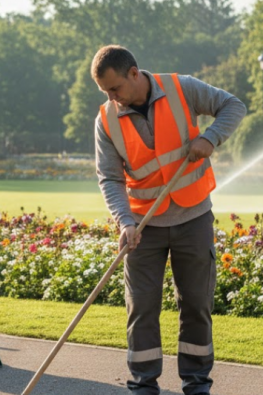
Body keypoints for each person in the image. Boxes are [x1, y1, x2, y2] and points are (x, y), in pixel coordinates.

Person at [92, 45, 246, 395]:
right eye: (105, 92)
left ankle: (196, 384)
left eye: (115, 88)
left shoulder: (182, 88)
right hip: (142, 229)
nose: (112, 97)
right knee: (141, 309)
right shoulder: (106, 119)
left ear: (134, 73)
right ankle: (143, 386)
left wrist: (210, 137)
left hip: (193, 218)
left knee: (195, 305)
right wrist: (124, 221)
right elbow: (110, 178)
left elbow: (233, 106)